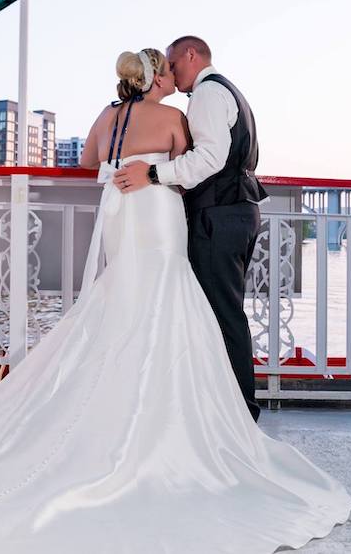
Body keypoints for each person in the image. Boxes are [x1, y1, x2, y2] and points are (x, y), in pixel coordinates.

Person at [0, 48, 351, 553]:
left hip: (118, 214)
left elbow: (90, 162)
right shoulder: (175, 117)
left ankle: (95, 403)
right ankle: (177, 414)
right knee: (169, 298)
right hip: (157, 211)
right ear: (159, 75)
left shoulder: (105, 117)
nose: (171, 80)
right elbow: (192, 167)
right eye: (165, 73)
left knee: (119, 297)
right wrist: (155, 169)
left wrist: (125, 166)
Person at [112, 35, 267, 421]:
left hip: (220, 214)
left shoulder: (207, 95)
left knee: (221, 314)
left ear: (191, 55)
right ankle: (229, 406)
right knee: (221, 311)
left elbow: (209, 158)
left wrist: (152, 172)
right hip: (239, 210)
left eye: (173, 63)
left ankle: (238, 413)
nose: (171, 72)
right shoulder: (229, 91)